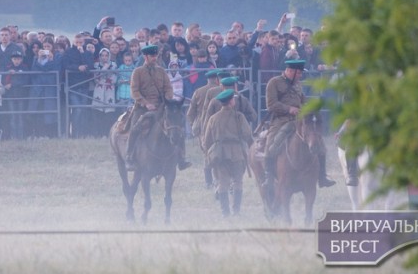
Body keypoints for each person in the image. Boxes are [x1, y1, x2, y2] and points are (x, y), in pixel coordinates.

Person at [261, 60, 335, 196]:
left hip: (300, 121)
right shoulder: (274, 83)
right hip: (280, 120)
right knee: (271, 145)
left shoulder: (297, 85)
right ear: (290, 71)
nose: (300, 76)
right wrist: (289, 109)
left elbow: (303, 101)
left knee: (319, 143)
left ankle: (322, 176)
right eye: (299, 73)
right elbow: (271, 104)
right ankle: (268, 177)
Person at [125, 44, 191, 172]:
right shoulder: (137, 72)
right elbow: (134, 91)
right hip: (142, 107)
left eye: (155, 56)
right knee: (135, 128)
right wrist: (146, 103)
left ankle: (181, 158)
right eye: (152, 56)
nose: (154, 58)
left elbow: (168, 88)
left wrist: (166, 101)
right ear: (145, 56)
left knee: (177, 126)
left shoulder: (161, 71)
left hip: (161, 106)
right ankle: (129, 157)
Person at [202, 89, 253, 217]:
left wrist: (209, 152)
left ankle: (225, 213)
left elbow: (207, 140)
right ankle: (236, 211)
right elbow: (247, 134)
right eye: (233, 99)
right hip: (237, 153)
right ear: (231, 101)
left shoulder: (213, 118)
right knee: (238, 181)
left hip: (220, 154)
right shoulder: (239, 116)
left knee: (223, 182)